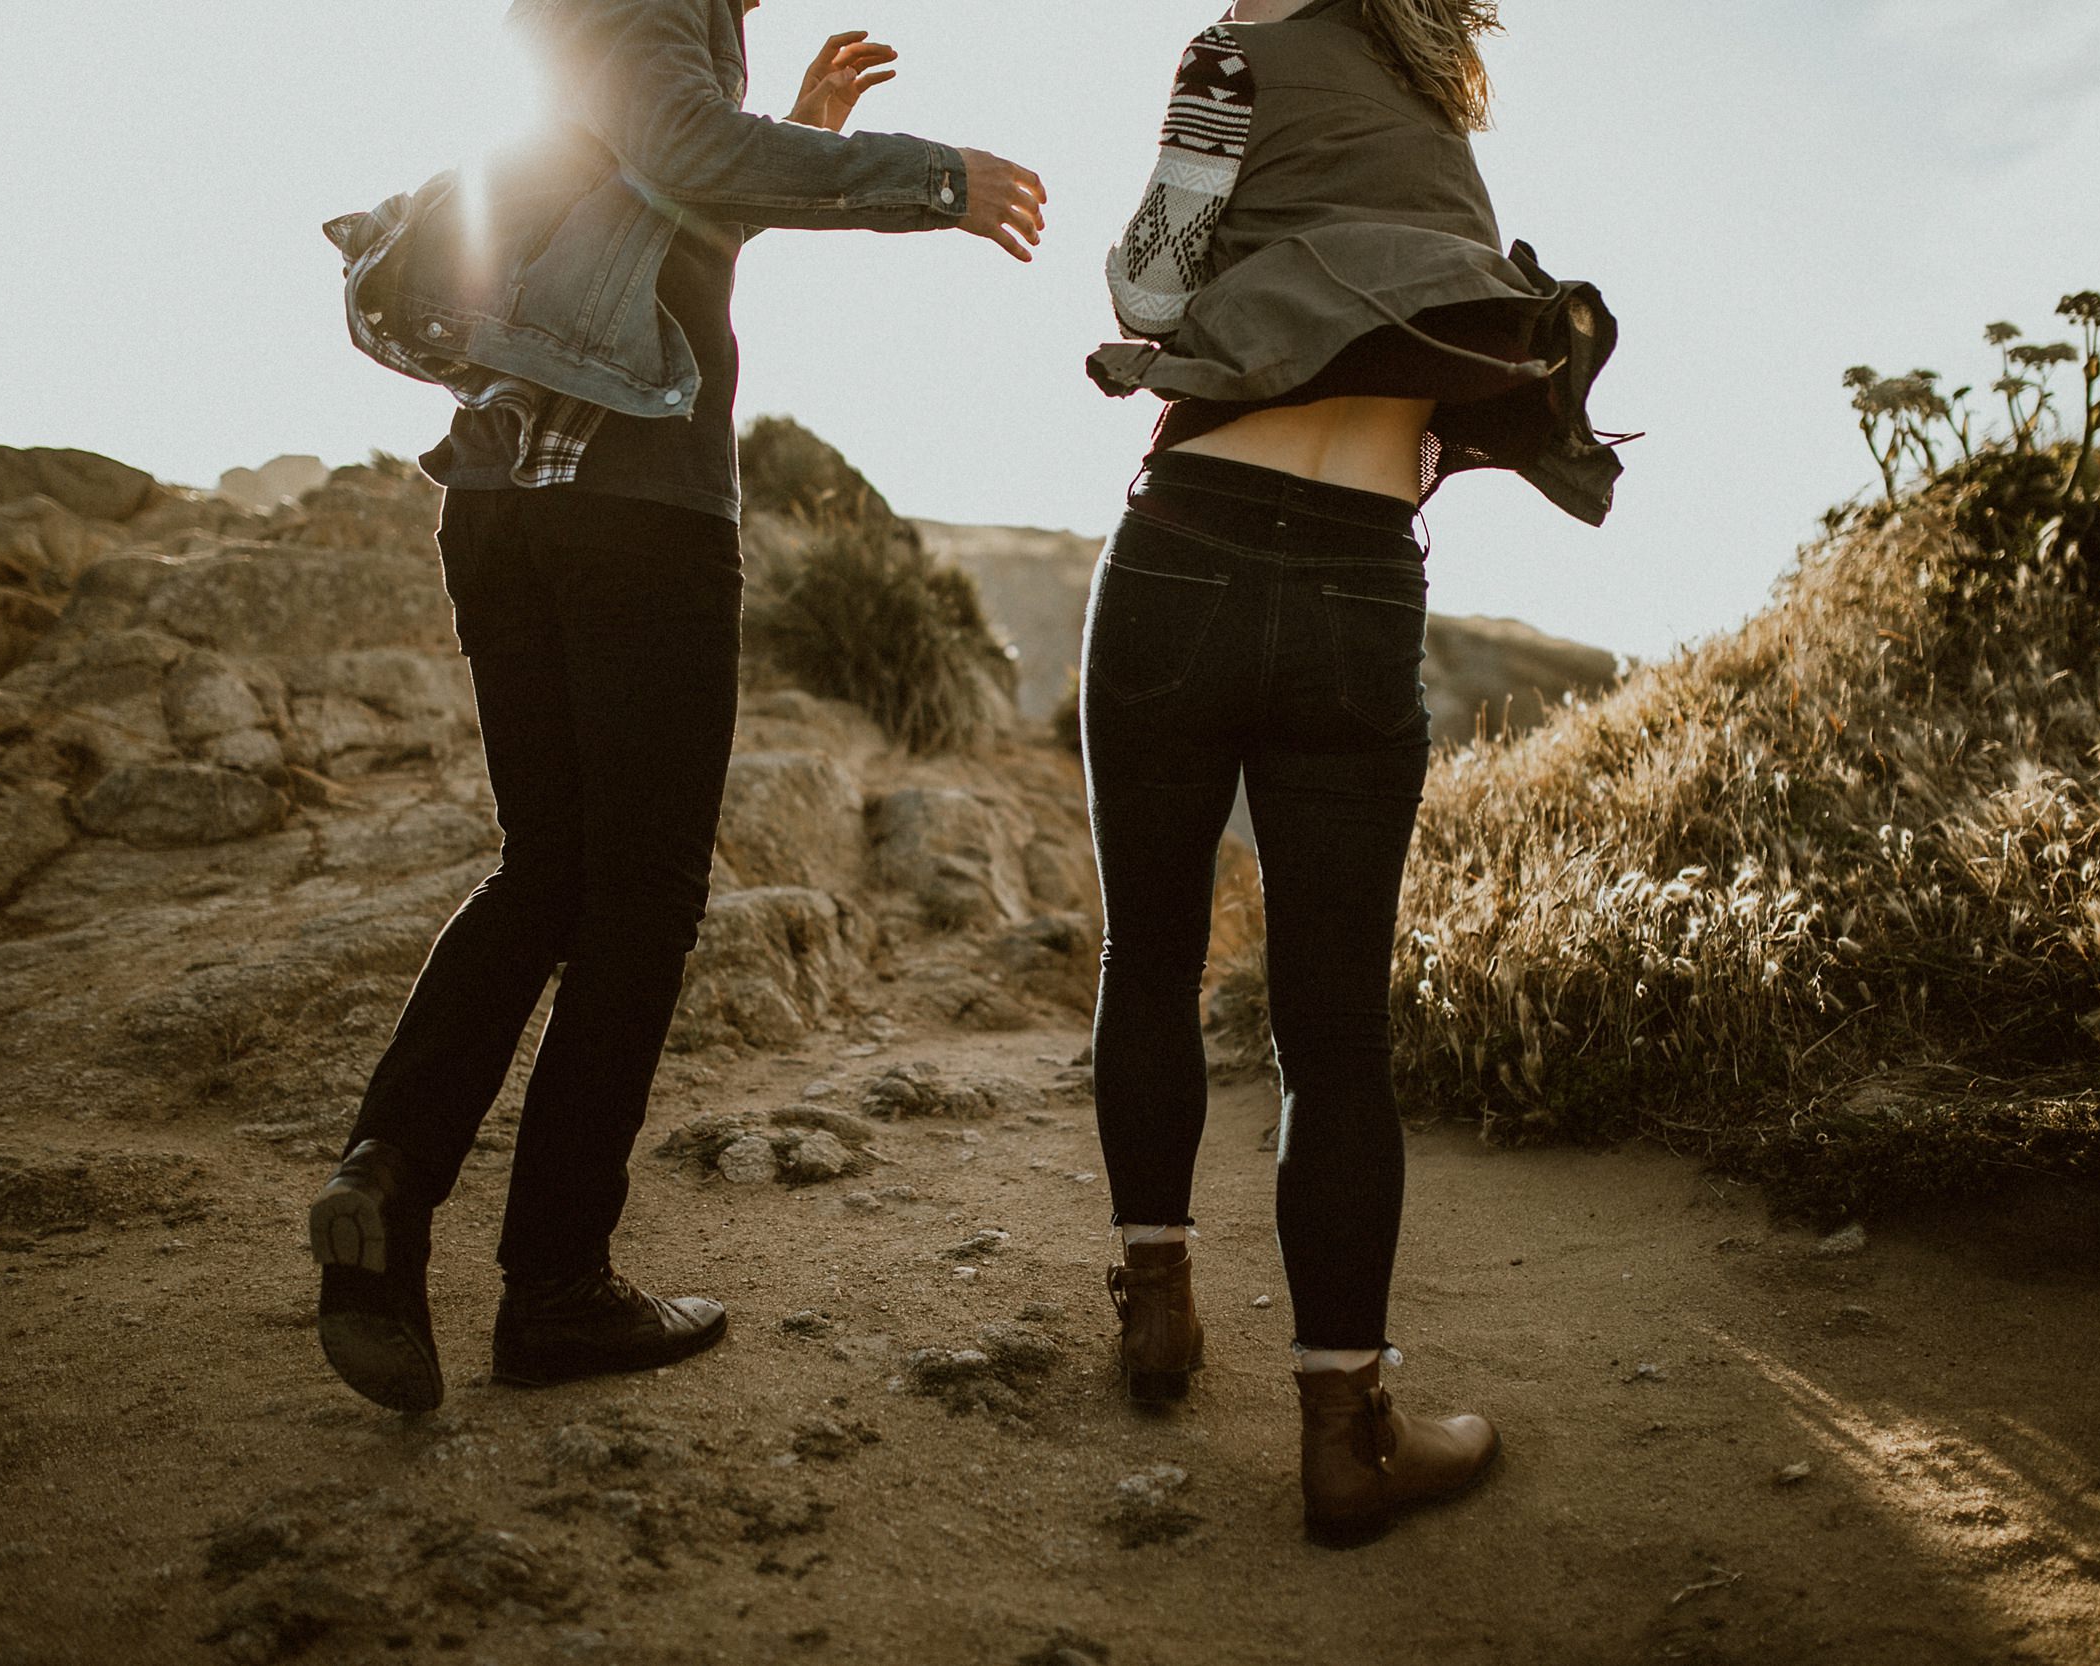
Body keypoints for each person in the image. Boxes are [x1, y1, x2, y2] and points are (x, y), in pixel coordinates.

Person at [309, 0, 1046, 1415]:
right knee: (641, 898)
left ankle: (384, 1186)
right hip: (632, 510)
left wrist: (802, 139)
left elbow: (650, 214)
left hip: (501, 503)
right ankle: (558, 1285)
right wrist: (928, 177)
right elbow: (693, 152)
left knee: (551, 869)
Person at [1083, 0, 1622, 1545]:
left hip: (1184, 545)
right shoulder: (1428, 89)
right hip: (1354, 581)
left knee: (1152, 953)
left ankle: (1159, 1306)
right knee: (1335, 1027)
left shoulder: (1233, 54)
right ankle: (1346, 1431)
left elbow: (1146, 281)